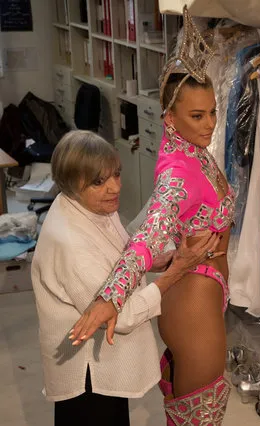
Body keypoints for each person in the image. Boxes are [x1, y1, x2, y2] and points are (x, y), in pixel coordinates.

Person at [70, 7, 236, 425]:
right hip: (194, 304)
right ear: (170, 117)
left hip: (203, 295)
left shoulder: (192, 152)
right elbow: (147, 239)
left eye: (214, 111)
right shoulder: (178, 174)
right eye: (197, 116)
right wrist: (111, 297)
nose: (211, 124)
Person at [31, 130, 222, 426]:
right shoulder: (70, 246)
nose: (114, 187)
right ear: (71, 182)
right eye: (99, 182)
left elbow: (114, 258)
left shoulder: (86, 204)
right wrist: (175, 272)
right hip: (88, 377)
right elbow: (121, 315)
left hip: (100, 364)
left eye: (116, 175)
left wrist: (153, 263)